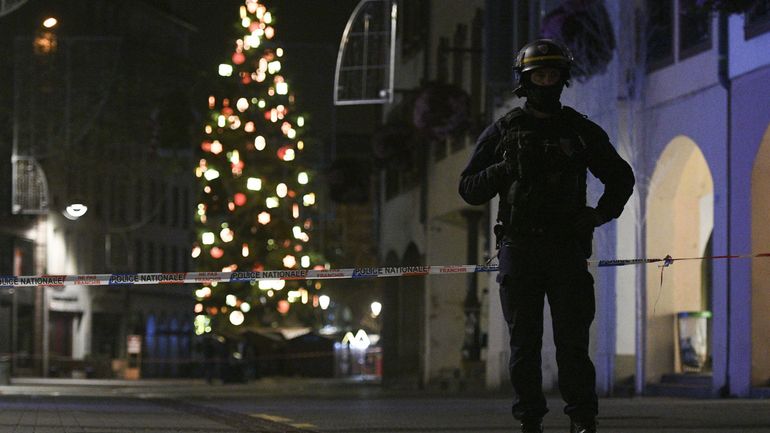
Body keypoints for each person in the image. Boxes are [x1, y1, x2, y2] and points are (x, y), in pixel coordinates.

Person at [458, 39, 634, 433]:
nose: (547, 81)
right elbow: (469, 188)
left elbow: (621, 177)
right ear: (526, 80)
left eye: (553, 74)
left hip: (566, 247)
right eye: (539, 74)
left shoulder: (579, 129)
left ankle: (583, 418)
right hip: (519, 247)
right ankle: (530, 421)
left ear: (563, 79)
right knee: (525, 345)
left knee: (573, 343)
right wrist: (505, 168)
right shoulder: (504, 130)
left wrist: (597, 216)